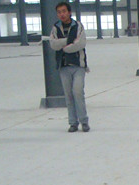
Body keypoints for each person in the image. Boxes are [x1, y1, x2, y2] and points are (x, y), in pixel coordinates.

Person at [49, 2, 90, 132]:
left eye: (64, 11)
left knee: (78, 92)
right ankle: (73, 123)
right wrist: (68, 41)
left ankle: (84, 121)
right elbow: (53, 44)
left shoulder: (78, 26)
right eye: (59, 12)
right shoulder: (55, 28)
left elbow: (80, 43)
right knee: (69, 95)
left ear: (69, 12)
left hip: (78, 65)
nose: (62, 14)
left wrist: (65, 48)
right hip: (63, 66)